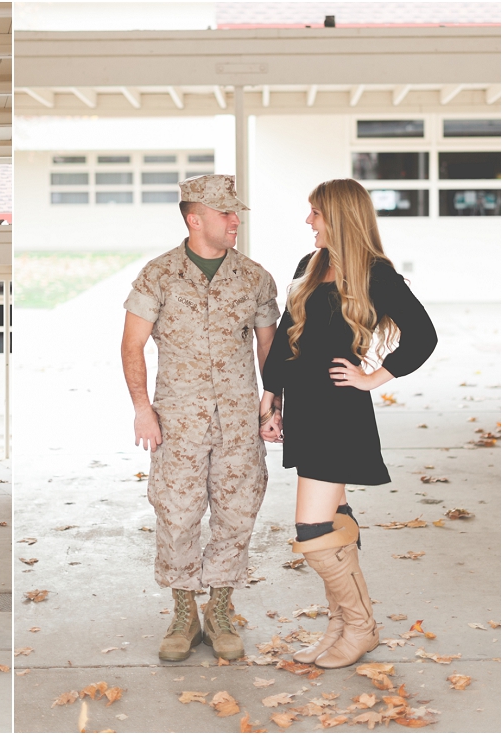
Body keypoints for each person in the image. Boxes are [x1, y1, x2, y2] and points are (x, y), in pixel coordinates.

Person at [260, 179, 437, 669]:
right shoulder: (310, 265)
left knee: (313, 527)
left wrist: (371, 377)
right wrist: (270, 399)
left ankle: (360, 627)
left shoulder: (375, 274)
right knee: (335, 520)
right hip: (304, 408)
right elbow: (285, 339)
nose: (308, 221)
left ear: (337, 217)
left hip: (338, 410)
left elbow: (423, 335)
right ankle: (341, 626)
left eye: (315, 213)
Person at [121, 174, 280, 662]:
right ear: (195, 218)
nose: (235, 221)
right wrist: (142, 410)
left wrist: (273, 405)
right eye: (226, 214)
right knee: (177, 514)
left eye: (236, 214)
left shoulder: (255, 277)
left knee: (237, 515)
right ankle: (185, 613)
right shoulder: (158, 275)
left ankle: (222, 609)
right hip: (179, 424)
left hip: (238, 423)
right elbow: (132, 346)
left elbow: (269, 346)